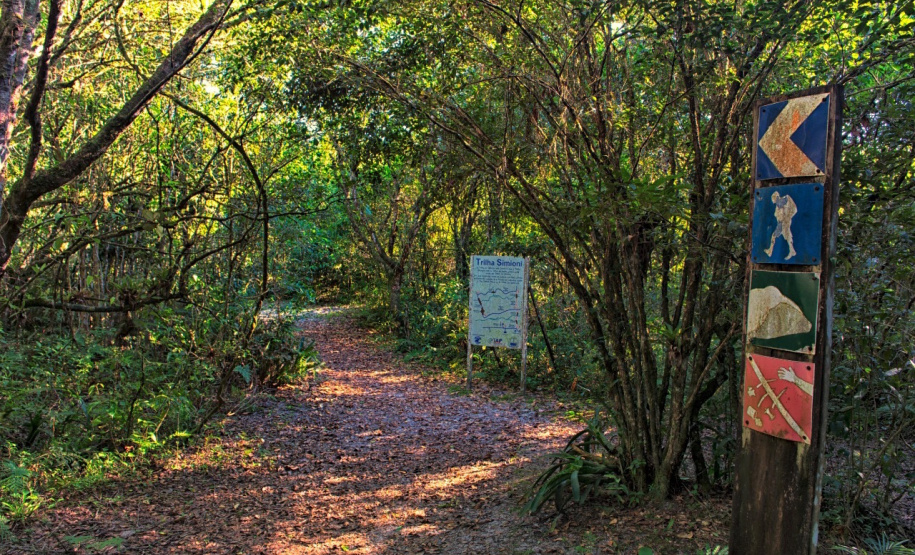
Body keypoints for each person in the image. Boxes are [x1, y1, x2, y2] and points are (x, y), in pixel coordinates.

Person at [764, 191, 798, 260]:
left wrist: (788, 217)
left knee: (777, 235)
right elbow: (777, 214)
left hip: (784, 222)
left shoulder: (786, 199)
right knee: (787, 236)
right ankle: (792, 251)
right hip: (781, 222)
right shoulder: (779, 204)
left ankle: (771, 251)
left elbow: (794, 210)